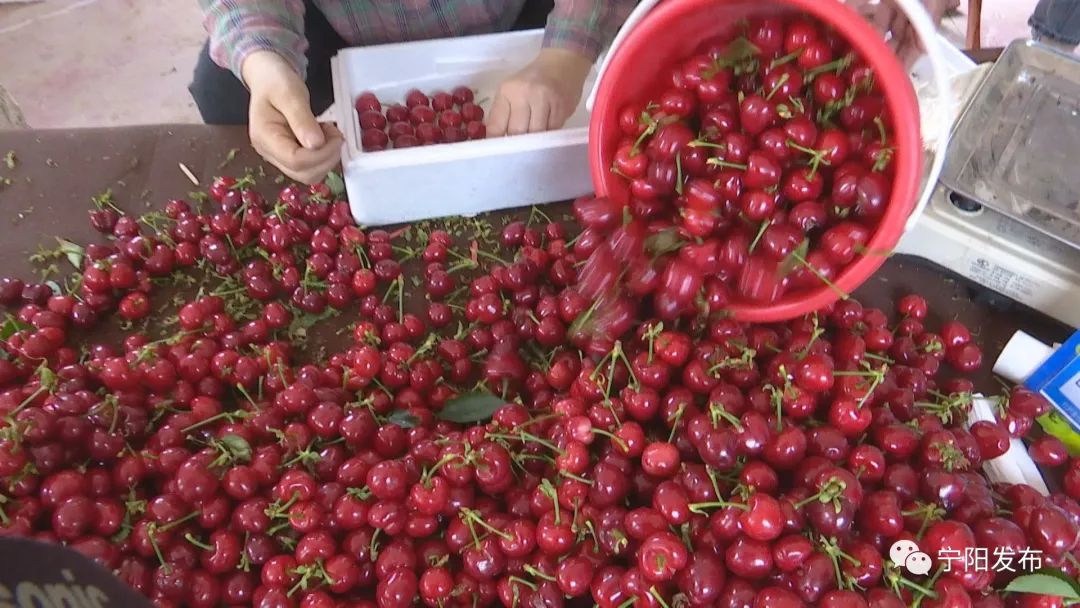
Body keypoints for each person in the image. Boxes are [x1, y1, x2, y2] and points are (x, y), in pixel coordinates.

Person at [191, 0, 635, 185]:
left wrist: (569, 53)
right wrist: (264, 62)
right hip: (344, 20)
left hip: (523, 11)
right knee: (228, 93)